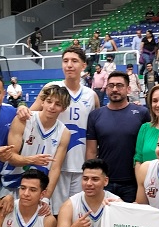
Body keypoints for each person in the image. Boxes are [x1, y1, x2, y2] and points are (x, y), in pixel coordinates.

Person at [19, 46, 99, 214]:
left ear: (83, 65)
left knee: (77, 212)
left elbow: (95, 130)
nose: (69, 65)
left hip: (80, 163)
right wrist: (22, 108)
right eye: (65, 61)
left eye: (74, 61)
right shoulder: (52, 87)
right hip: (53, 163)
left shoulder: (91, 95)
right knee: (52, 212)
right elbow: (31, 114)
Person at [86, 70, 151, 203]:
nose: (115, 89)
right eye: (111, 85)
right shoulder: (95, 115)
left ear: (128, 89)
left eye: (119, 85)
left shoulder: (142, 113)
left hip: (133, 182)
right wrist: (92, 177)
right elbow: (91, 151)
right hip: (105, 181)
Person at [0, 85, 71, 201]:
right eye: (49, 101)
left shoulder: (64, 133)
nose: (52, 107)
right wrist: (32, 160)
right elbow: (10, 156)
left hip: (37, 190)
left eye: (58, 104)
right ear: (42, 102)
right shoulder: (23, 120)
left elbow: (55, 169)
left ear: (63, 108)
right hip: (11, 185)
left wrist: (46, 198)